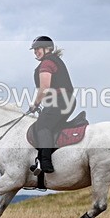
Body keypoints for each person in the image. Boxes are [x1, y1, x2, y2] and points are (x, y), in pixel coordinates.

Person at [29, 36, 75, 173]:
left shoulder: (47, 64)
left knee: (42, 125)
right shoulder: (53, 61)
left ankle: (45, 163)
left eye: (38, 49)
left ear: (47, 48)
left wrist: (35, 104)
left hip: (60, 102)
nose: (35, 52)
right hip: (63, 101)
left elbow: (44, 89)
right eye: (34, 49)